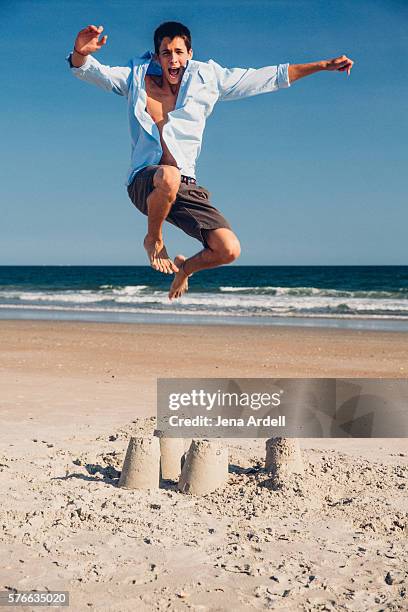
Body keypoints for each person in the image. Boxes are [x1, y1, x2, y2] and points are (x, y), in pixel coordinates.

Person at [68, 21, 353, 299]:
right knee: (168, 175)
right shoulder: (136, 77)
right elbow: (94, 73)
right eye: (166, 53)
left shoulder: (209, 79)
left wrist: (322, 66)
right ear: (157, 56)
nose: (173, 59)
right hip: (146, 182)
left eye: (179, 52)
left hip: (185, 186)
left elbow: (267, 77)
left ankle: (185, 269)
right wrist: (80, 53)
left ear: (190, 54)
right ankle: (153, 238)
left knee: (228, 249)